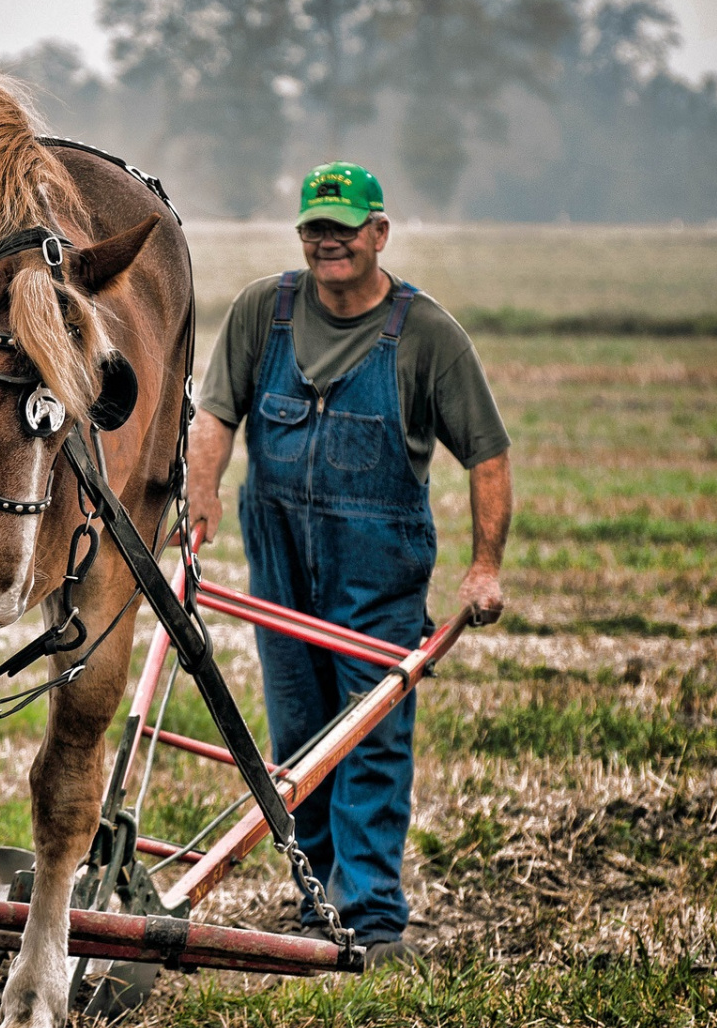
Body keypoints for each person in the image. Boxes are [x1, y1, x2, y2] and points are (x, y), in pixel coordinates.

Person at [185, 162, 513, 969]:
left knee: (369, 736)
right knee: (299, 738)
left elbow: (488, 455)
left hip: (378, 566)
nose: (327, 242)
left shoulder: (426, 335)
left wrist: (484, 567)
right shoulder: (268, 310)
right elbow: (215, 414)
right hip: (280, 556)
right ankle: (317, 904)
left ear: (379, 233)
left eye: (343, 228)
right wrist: (201, 503)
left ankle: (371, 917)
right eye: (313, 229)